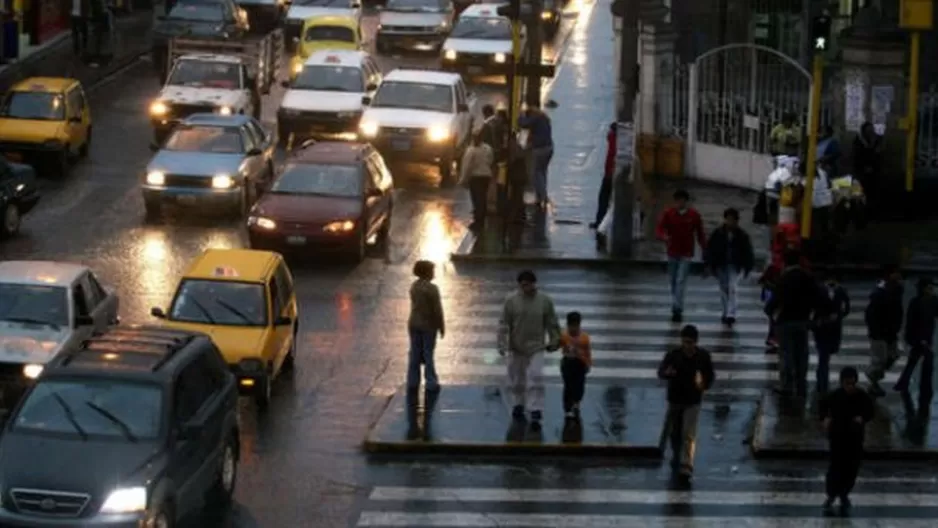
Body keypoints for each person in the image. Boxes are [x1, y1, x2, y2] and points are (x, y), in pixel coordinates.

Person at [497, 270, 562, 430]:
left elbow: (552, 322)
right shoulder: (511, 301)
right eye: (523, 285)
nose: (526, 288)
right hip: (516, 346)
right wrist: (502, 343)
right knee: (517, 379)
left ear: (534, 283)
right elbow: (504, 324)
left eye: (529, 284)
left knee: (536, 376)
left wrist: (555, 340)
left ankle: (535, 409)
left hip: (536, 347)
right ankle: (518, 403)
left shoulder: (545, 301)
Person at [657, 325, 714, 478]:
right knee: (675, 433)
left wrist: (703, 385)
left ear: (695, 342)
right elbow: (661, 371)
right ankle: (677, 454)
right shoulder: (673, 355)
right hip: (675, 399)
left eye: (690, 342)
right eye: (684, 342)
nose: (687, 346)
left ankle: (686, 463)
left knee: (689, 433)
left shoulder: (703, 357)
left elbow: (710, 376)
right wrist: (667, 373)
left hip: (693, 400)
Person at [766, 248, 821, 399]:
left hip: (785, 321)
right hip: (802, 321)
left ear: (785, 261)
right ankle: (801, 383)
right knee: (801, 353)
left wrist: (770, 311)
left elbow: (775, 300)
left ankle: (787, 386)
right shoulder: (807, 277)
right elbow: (818, 298)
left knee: (786, 354)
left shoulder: (784, 278)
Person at [819, 367, 874, 515]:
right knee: (835, 467)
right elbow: (822, 407)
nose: (850, 387)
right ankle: (831, 494)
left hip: (854, 438)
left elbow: (870, 411)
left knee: (851, 468)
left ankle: (844, 494)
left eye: (852, 383)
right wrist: (825, 419)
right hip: (838, 437)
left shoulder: (862, 396)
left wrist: (862, 418)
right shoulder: (835, 396)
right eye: (847, 383)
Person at [655, 189, 706, 323]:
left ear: (686, 201)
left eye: (682, 200)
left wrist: (704, 249)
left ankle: (677, 308)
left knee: (680, 280)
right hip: (672, 251)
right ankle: (676, 303)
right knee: (673, 280)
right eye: (678, 200)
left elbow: (700, 233)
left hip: (686, 252)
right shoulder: (669, 213)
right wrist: (664, 237)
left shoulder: (694, 215)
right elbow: (660, 229)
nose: (680, 203)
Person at [703, 208, 754, 326]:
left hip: (735, 265)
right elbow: (710, 249)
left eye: (733, 220)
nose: (730, 222)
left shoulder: (741, 235)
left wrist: (747, 266)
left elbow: (747, 251)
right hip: (721, 264)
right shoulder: (718, 233)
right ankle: (725, 311)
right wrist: (709, 264)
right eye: (728, 219)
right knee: (724, 288)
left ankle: (731, 313)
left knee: (733, 288)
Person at [894, 278, 937, 404]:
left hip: (927, 337)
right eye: (929, 287)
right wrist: (918, 339)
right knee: (926, 361)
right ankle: (924, 388)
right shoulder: (916, 302)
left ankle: (903, 383)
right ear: (923, 289)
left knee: (914, 361)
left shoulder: (933, 301)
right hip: (918, 337)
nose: (932, 290)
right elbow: (911, 323)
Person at [864, 265, 904, 398]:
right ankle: (873, 382)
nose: (899, 277)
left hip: (891, 332)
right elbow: (870, 314)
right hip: (879, 333)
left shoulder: (896, 289)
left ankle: (873, 377)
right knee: (879, 360)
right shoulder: (879, 293)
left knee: (893, 355)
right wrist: (875, 331)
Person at [406, 260, 444, 392]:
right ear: (427, 272)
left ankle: (412, 381)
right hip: (428, 325)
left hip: (414, 323)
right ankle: (431, 381)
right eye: (432, 271)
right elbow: (437, 310)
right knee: (428, 353)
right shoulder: (432, 289)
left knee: (414, 353)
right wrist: (441, 326)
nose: (434, 273)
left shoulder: (414, 286)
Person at [813, 271, 850, 395]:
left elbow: (847, 307)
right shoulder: (819, 290)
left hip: (834, 328)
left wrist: (838, 316)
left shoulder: (841, 291)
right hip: (822, 327)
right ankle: (822, 381)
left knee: (827, 354)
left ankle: (822, 378)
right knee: (823, 355)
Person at [518, 104, 554, 209]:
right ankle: (540, 196)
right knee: (542, 172)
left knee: (536, 173)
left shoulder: (535, 118)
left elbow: (523, 124)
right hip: (549, 148)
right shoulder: (545, 118)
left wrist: (521, 114)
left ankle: (543, 197)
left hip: (540, 149)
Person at [460, 131, 495, 230]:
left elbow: (466, 167)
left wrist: (463, 180)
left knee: (476, 199)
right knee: (482, 197)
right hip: (486, 176)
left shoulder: (470, 151)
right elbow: (491, 160)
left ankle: (478, 221)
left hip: (475, 177)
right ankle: (481, 219)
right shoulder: (488, 148)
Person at [559, 311, 591, 420]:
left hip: (580, 364)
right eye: (571, 326)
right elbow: (557, 344)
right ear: (568, 325)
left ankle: (576, 402)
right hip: (567, 362)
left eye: (576, 326)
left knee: (579, 385)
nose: (573, 329)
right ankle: (567, 408)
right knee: (568, 386)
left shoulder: (584, 338)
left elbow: (587, 352)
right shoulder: (564, 336)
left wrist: (588, 363)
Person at [852, 122, 883, 216]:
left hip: (873, 170)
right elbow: (856, 155)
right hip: (861, 170)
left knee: (872, 192)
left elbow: (878, 153)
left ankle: (870, 212)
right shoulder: (859, 140)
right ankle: (860, 212)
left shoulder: (876, 139)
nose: (871, 131)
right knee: (860, 192)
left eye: (871, 129)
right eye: (868, 129)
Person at [590, 123, 616, 229]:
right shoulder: (615, 139)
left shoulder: (613, 139)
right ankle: (601, 222)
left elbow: (612, 156)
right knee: (606, 199)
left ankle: (600, 222)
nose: (608, 132)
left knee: (604, 198)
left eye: (610, 130)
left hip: (610, 174)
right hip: (611, 173)